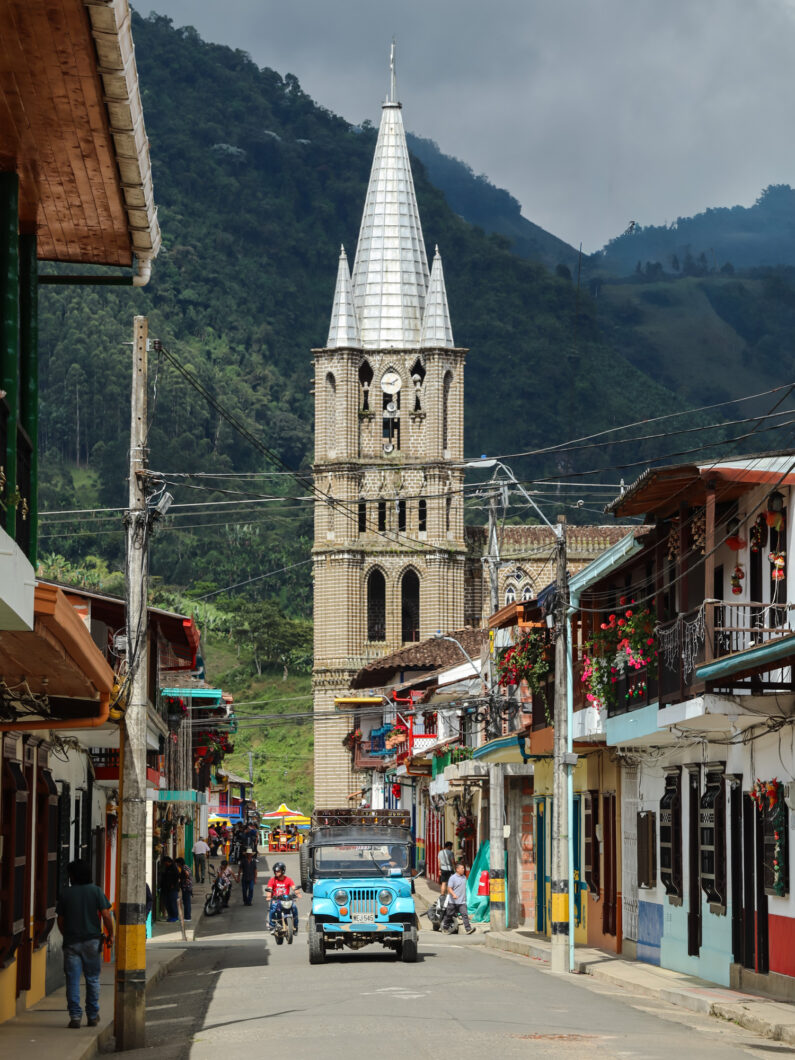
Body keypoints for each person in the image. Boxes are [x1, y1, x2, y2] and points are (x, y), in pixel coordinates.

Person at [55, 859, 114, 1029]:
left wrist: (66, 934)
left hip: (71, 943)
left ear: (73, 875)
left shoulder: (66, 893)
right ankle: (92, 1015)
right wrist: (111, 935)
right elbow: (106, 915)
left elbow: (60, 920)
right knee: (92, 979)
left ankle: (75, 1016)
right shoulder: (96, 891)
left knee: (72, 980)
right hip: (92, 942)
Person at [264, 861, 301, 933]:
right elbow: (269, 889)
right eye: (275, 871)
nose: (276, 872)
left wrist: (297, 893)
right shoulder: (272, 880)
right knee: (273, 909)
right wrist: (268, 896)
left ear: (283, 871)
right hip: (276, 899)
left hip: (286, 899)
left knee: (294, 908)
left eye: (278, 871)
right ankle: (272, 925)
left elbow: (294, 888)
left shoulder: (288, 879)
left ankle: (295, 926)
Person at [441, 862, 476, 935]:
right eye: (462, 868)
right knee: (449, 915)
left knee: (465, 914)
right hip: (453, 901)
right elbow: (449, 888)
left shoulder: (464, 877)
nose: (463, 870)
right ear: (457, 869)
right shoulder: (452, 878)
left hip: (462, 901)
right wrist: (453, 894)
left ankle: (468, 929)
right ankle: (445, 928)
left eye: (463, 868)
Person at [159, 855, 181, 922]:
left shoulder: (174, 868)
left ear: (168, 862)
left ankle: (175, 917)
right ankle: (170, 916)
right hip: (166, 889)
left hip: (172, 889)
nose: (165, 864)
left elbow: (177, 877)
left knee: (173, 903)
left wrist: (173, 885)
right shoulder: (167, 868)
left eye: (165, 863)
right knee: (167, 903)